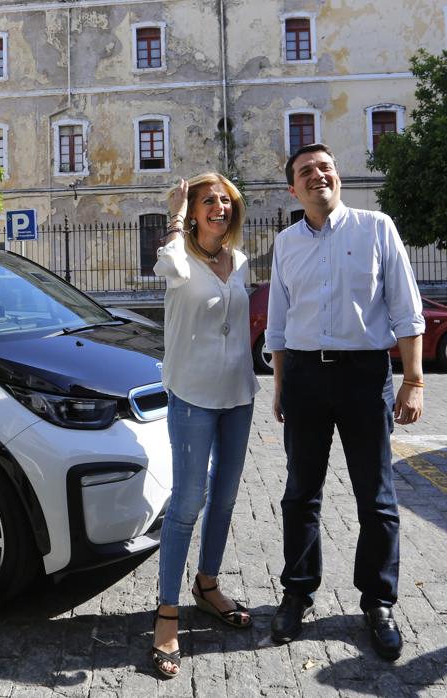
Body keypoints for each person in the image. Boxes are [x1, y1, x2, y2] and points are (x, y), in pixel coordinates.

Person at [264, 143, 425, 660]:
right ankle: (297, 592)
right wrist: (281, 385)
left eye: (325, 168)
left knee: (376, 498)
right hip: (307, 377)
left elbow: (405, 306)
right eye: (306, 171)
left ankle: (377, 601)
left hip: (364, 375)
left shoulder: (377, 227)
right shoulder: (286, 243)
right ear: (293, 188)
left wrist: (414, 380)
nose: (318, 176)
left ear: (338, 177)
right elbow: (279, 324)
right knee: (300, 494)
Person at [148, 172, 259, 679]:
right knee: (189, 499)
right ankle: (166, 612)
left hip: (238, 396)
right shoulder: (179, 258)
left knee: (226, 497)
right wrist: (174, 212)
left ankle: (207, 585)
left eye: (226, 200)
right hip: (191, 396)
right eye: (209, 201)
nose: (220, 207)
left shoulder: (240, 262)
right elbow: (166, 263)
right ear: (193, 211)